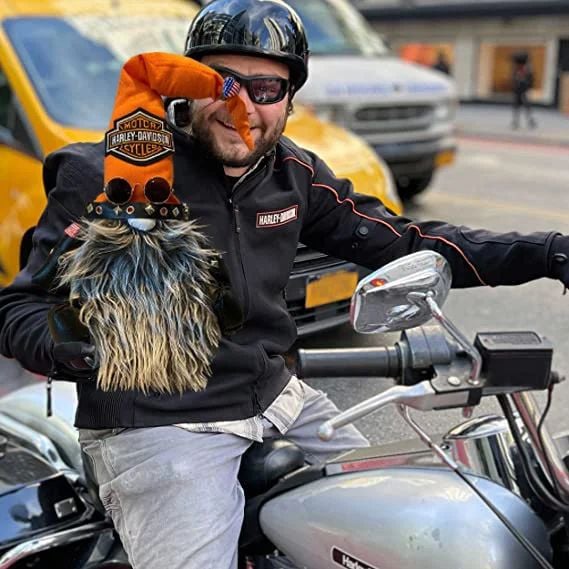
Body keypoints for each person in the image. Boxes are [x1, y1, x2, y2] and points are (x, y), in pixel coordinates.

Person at [0, 1, 568, 567]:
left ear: (290, 100)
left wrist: (549, 251)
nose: (240, 106)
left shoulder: (291, 175)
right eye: (221, 82)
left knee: (409, 528)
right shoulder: (111, 176)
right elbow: (19, 306)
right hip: (160, 426)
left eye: (266, 89)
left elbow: (409, 240)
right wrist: (79, 343)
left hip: (281, 399)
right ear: (186, 86)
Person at [512, 51, 537, 129]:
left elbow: (531, 79)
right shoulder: (517, 69)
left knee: (526, 106)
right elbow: (514, 79)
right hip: (518, 91)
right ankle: (516, 122)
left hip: (524, 90)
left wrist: (526, 85)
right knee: (517, 106)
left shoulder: (527, 69)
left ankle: (530, 121)